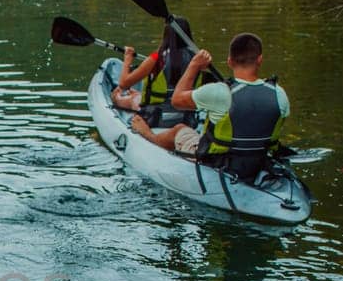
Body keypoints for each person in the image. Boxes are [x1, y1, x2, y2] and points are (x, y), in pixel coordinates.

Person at [130, 32, 289, 180]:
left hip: (218, 162)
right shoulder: (279, 94)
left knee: (179, 129)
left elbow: (177, 100)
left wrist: (194, 66)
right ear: (260, 60)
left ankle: (148, 135)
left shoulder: (218, 92)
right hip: (259, 161)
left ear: (229, 61)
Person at [111, 15, 199, 125]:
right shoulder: (198, 59)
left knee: (128, 97)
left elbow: (123, 83)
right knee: (137, 95)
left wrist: (128, 58)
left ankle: (118, 98)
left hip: (156, 118)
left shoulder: (156, 58)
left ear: (166, 35)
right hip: (186, 118)